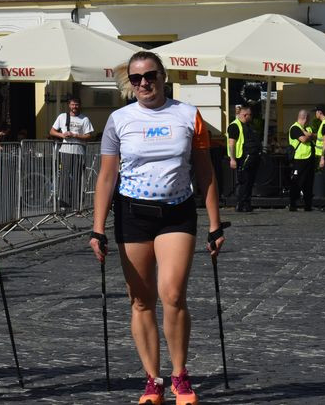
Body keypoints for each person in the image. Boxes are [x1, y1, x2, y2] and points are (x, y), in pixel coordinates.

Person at [90, 51, 224, 405]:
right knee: (141, 300)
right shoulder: (119, 120)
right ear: (129, 83)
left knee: (174, 294)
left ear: (163, 76)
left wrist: (215, 224)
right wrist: (97, 228)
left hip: (177, 213)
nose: (144, 83)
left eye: (150, 75)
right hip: (133, 214)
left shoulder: (188, 115)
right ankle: (153, 380)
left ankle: (180, 375)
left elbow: (205, 171)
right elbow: (107, 176)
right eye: (136, 79)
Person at [49, 96, 94, 210]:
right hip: (65, 151)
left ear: (80, 105)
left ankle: (77, 205)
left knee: (78, 179)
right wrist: (62, 135)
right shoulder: (62, 117)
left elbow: (89, 135)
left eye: (76, 104)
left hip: (79, 152)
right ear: (69, 105)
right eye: (73, 104)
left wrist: (75, 135)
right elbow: (52, 131)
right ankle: (64, 205)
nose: (75, 107)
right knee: (64, 178)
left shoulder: (85, 119)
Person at [227, 105, 261, 212]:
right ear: (245, 115)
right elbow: (231, 144)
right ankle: (240, 204)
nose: (251, 117)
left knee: (249, 181)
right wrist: (232, 159)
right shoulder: (234, 126)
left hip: (251, 158)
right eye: (250, 115)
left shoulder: (248, 125)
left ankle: (247, 203)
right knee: (243, 182)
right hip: (242, 158)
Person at [287, 109, 316, 211]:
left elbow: (316, 136)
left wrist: (309, 135)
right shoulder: (295, 128)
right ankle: (293, 204)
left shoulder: (307, 128)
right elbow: (303, 139)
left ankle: (308, 204)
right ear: (306, 118)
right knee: (297, 182)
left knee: (309, 182)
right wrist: (310, 136)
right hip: (299, 159)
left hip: (309, 159)